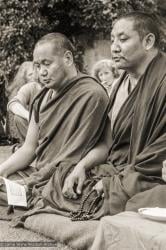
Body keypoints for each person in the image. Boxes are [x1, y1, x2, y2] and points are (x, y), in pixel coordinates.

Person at [62, 12, 166, 215]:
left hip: (148, 174)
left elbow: (161, 150)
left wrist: (115, 182)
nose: (114, 47)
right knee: (65, 176)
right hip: (120, 167)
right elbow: (109, 143)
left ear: (148, 41)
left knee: (128, 199)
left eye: (123, 39)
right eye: (112, 40)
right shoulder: (120, 84)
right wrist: (82, 166)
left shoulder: (162, 81)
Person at [0, 32, 109, 218]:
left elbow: (80, 153)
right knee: (8, 178)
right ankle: (27, 193)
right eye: (37, 65)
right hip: (41, 174)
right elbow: (28, 149)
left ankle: (30, 195)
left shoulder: (92, 94)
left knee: (74, 191)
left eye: (46, 64)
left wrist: (33, 181)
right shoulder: (40, 99)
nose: (41, 72)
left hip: (67, 174)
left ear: (67, 58)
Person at [8, 77, 42, 144]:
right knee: (18, 118)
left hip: (53, 132)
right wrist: (29, 116)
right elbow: (13, 103)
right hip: (36, 130)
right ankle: (32, 146)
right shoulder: (32, 87)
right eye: (39, 67)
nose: (43, 73)